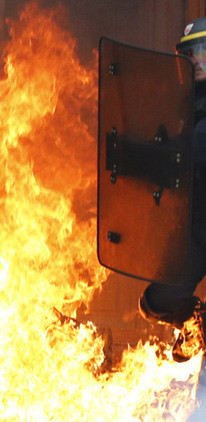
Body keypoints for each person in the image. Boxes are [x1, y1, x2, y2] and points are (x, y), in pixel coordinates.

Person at [138, 17, 206, 362]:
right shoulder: (182, 108)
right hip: (196, 229)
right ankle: (200, 327)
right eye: (189, 53)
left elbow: (193, 149)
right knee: (156, 302)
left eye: (202, 51)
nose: (195, 60)